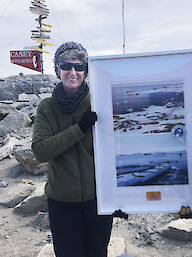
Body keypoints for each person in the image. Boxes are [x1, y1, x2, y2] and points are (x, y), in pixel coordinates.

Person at [31, 42, 113, 257]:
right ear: (58, 70)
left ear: (86, 72)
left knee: (97, 252)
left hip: (99, 200)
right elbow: (40, 150)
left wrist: (121, 196)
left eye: (79, 67)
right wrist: (79, 129)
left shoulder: (100, 102)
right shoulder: (47, 107)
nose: (73, 72)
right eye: (66, 66)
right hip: (62, 202)